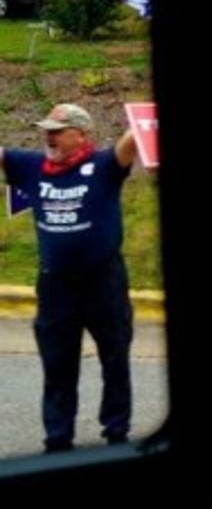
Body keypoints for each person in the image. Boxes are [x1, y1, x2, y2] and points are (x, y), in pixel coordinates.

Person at [0, 103, 139, 453]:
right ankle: (58, 439)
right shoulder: (31, 166)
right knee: (58, 366)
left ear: (81, 134)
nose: (49, 136)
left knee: (115, 359)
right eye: (46, 130)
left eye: (57, 130)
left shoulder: (104, 165)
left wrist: (144, 122)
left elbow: (131, 141)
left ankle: (116, 433)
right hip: (55, 286)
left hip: (103, 283)